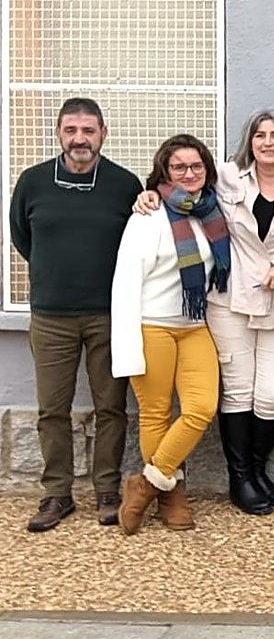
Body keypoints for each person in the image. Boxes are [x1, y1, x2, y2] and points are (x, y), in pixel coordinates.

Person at [134, 109, 274, 515]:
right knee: (237, 390)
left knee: (272, 393)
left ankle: (258, 469)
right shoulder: (227, 177)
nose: (268, 142)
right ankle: (240, 479)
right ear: (249, 142)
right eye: (259, 135)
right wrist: (150, 193)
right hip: (229, 300)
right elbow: (182, 190)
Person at [9, 97, 142, 532]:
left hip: (109, 314)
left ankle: (107, 490)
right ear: (59, 134)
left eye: (88, 130)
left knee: (111, 407)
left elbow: (137, 242)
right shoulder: (32, 182)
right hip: (51, 316)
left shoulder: (124, 184)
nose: (79, 139)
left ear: (104, 133)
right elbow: (22, 237)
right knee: (52, 409)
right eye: (71, 130)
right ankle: (56, 495)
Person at [110, 135, 229, 534]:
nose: (189, 174)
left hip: (195, 327)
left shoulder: (211, 212)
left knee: (200, 408)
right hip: (152, 327)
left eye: (196, 166)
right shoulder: (147, 215)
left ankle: (145, 484)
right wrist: (126, 345)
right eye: (179, 167)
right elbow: (126, 282)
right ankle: (172, 495)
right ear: (164, 171)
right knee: (156, 412)